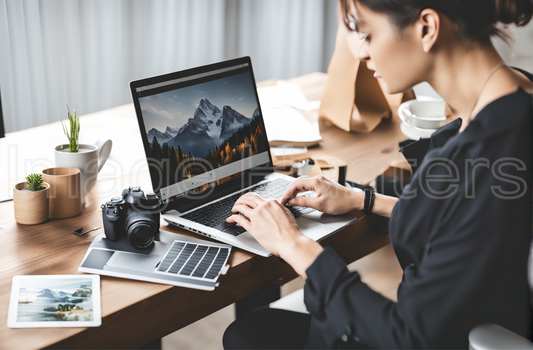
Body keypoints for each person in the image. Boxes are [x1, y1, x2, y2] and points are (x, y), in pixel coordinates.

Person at [223, 0, 533, 348]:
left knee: (247, 337)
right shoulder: (513, 99)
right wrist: (364, 199)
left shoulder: (486, 155)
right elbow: (464, 222)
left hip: (431, 333)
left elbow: (408, 336)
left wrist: (294, 245)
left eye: (367, 34)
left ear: (427, 28)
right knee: (251, 331)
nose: (359, 53)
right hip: (468, 312)